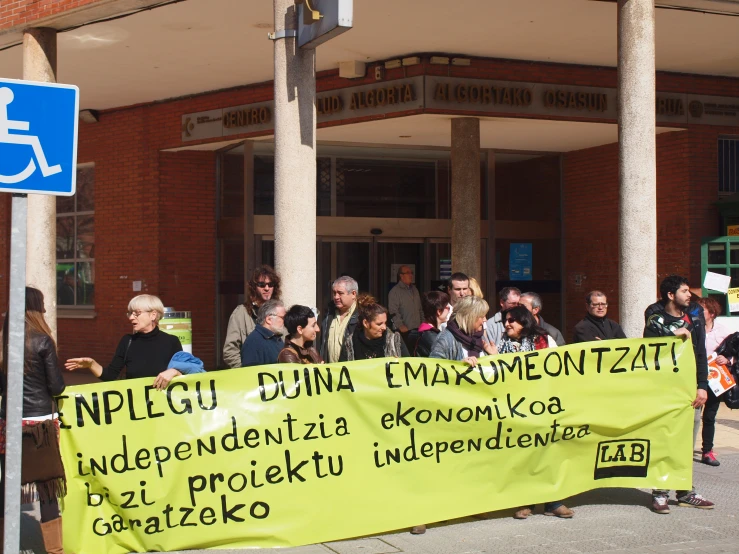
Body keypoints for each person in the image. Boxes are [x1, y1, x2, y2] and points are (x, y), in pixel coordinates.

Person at [0, 287, 66, 553]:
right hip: (40, 424)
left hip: (10, 421)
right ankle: (54, 549)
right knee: (48, 485)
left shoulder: (4, 341)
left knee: (7, 483)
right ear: (36, 309)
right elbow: (57, 386)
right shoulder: (42, 341)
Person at [644, 274, 714, 513]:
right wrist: (669, 338)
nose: (689, 295)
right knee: (665, 439)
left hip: (690, 392)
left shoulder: (693, 318)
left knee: (686, 442)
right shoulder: (655, 320)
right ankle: (660, 492)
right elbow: (646, 351)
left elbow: (700, 354)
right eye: (685, 291)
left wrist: (702, 385)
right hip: (664, 390)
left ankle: (685, 491)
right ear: (671, 295)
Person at [499, 306, 572, 519]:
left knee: (548, 453)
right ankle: (525, 502)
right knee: (523, 455)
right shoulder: (502, 344)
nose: (507, 324)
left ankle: (553, 502)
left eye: (512, 320)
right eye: (506, 320)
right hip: (515, 409)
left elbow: (556, 369)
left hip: (543, 406)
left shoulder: (544, 341)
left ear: (524, 321)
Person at [66, 294, 183, 390]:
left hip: (164, 410)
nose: (131, 317)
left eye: (136, 313)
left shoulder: (171, 341)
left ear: (153, 315)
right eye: (130, 313)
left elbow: (185, 374)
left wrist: (174, 371)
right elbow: (110, 375)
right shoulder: (128, 341)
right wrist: (92, 364)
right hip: (136, 408)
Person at [223, 265, 281, 368]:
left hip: (276, 375)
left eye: (270, 284)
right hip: (252, 376)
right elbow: (230, 351)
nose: (267, 288)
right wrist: (245, 371)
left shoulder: (279, 313)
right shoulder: (241, 312)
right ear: (254, 287)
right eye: (262, 285)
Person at [696, 296, 731, 467]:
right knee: (692, 416)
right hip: (695, 377)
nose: (698, 312)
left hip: (715, 381)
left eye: (701, 309)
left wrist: (728, 359)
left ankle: (707, 451)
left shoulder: (723, 331)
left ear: (711, 313)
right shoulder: (693, 328)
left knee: (709, 416)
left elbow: (734, 352)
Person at [430, 296, 496, 366]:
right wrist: (460, 365)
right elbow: (434, 369)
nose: (485, 320)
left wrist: (494, 357)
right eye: (482, 316)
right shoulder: (445, 339)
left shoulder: (480, 337)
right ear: (470, 317)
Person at [339, 294, 409, 361]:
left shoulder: (395, 340)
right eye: (379, 324)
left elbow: (408, 365)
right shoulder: (350, 344)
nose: (384, 327)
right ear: (366, 323)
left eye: (385, 323)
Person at [320, 276, 359, 363]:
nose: (336, 297)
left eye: (340, 293)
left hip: (351, 373)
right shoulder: (328, 315)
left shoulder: (362, 317)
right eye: (334, 293)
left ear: (353, 294)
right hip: (330, 373)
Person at [241, 300, 286, 367]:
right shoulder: (254, 342)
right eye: (283, 318)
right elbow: (251, 373)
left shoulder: (276, 338)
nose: (285, 321)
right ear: (269, 319)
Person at [408, 291, 450, 357]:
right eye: (447, 308)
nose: (449, 311)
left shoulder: (423, 333)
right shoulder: (432, 337)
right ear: (439, 311)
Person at [388, 265, 423, 334]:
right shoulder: (395, 291)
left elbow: (420, 309)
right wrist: (400, 325)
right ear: (401, 276)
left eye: (411, 273)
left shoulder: (415, 290)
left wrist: (422, 323)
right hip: (405, 331)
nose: (411, 275)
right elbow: (393, 311)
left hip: (418, 329)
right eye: (408, 273)